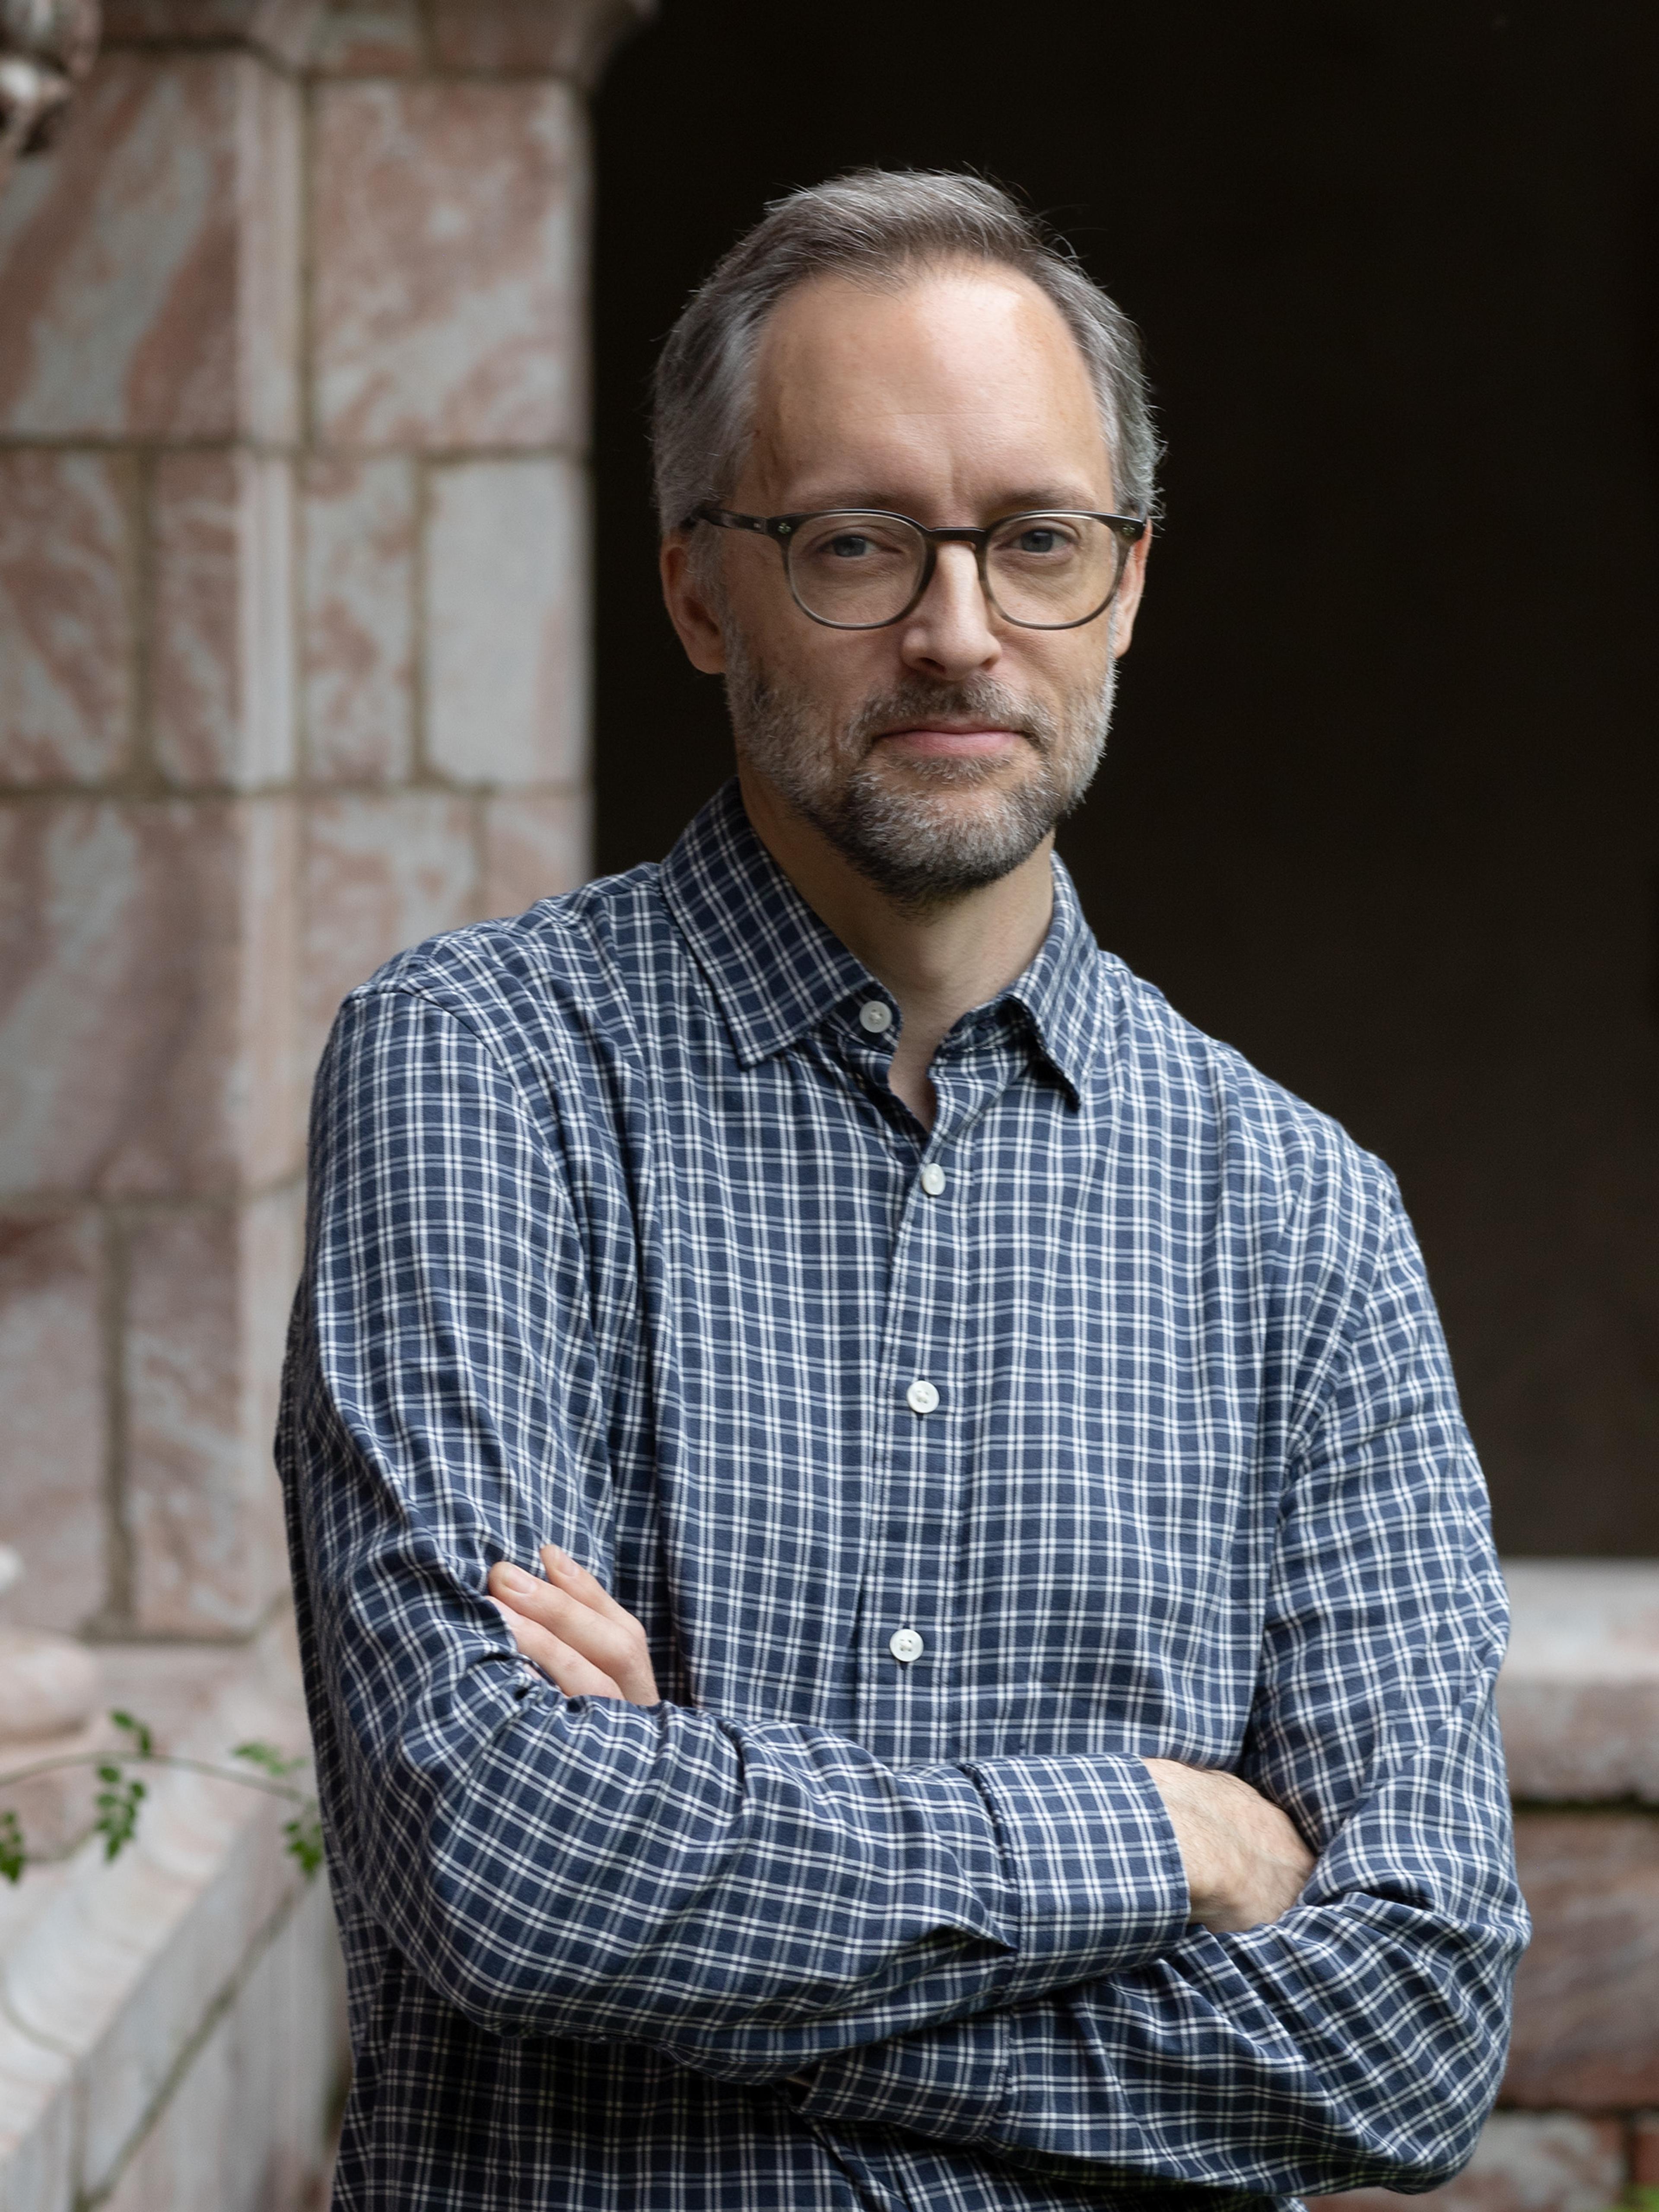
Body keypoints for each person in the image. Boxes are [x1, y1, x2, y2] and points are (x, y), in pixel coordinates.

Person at [279, 171, 1527, 2212]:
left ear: (1127, 581)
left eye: (1037, 539)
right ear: (699, 588)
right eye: (858, 543)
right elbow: (498, 1855)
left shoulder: (1306, 1222)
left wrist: (694, 1874)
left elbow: (1413, 2025)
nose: (961, 632)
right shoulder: (484, 1070)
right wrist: (1170, 1838)